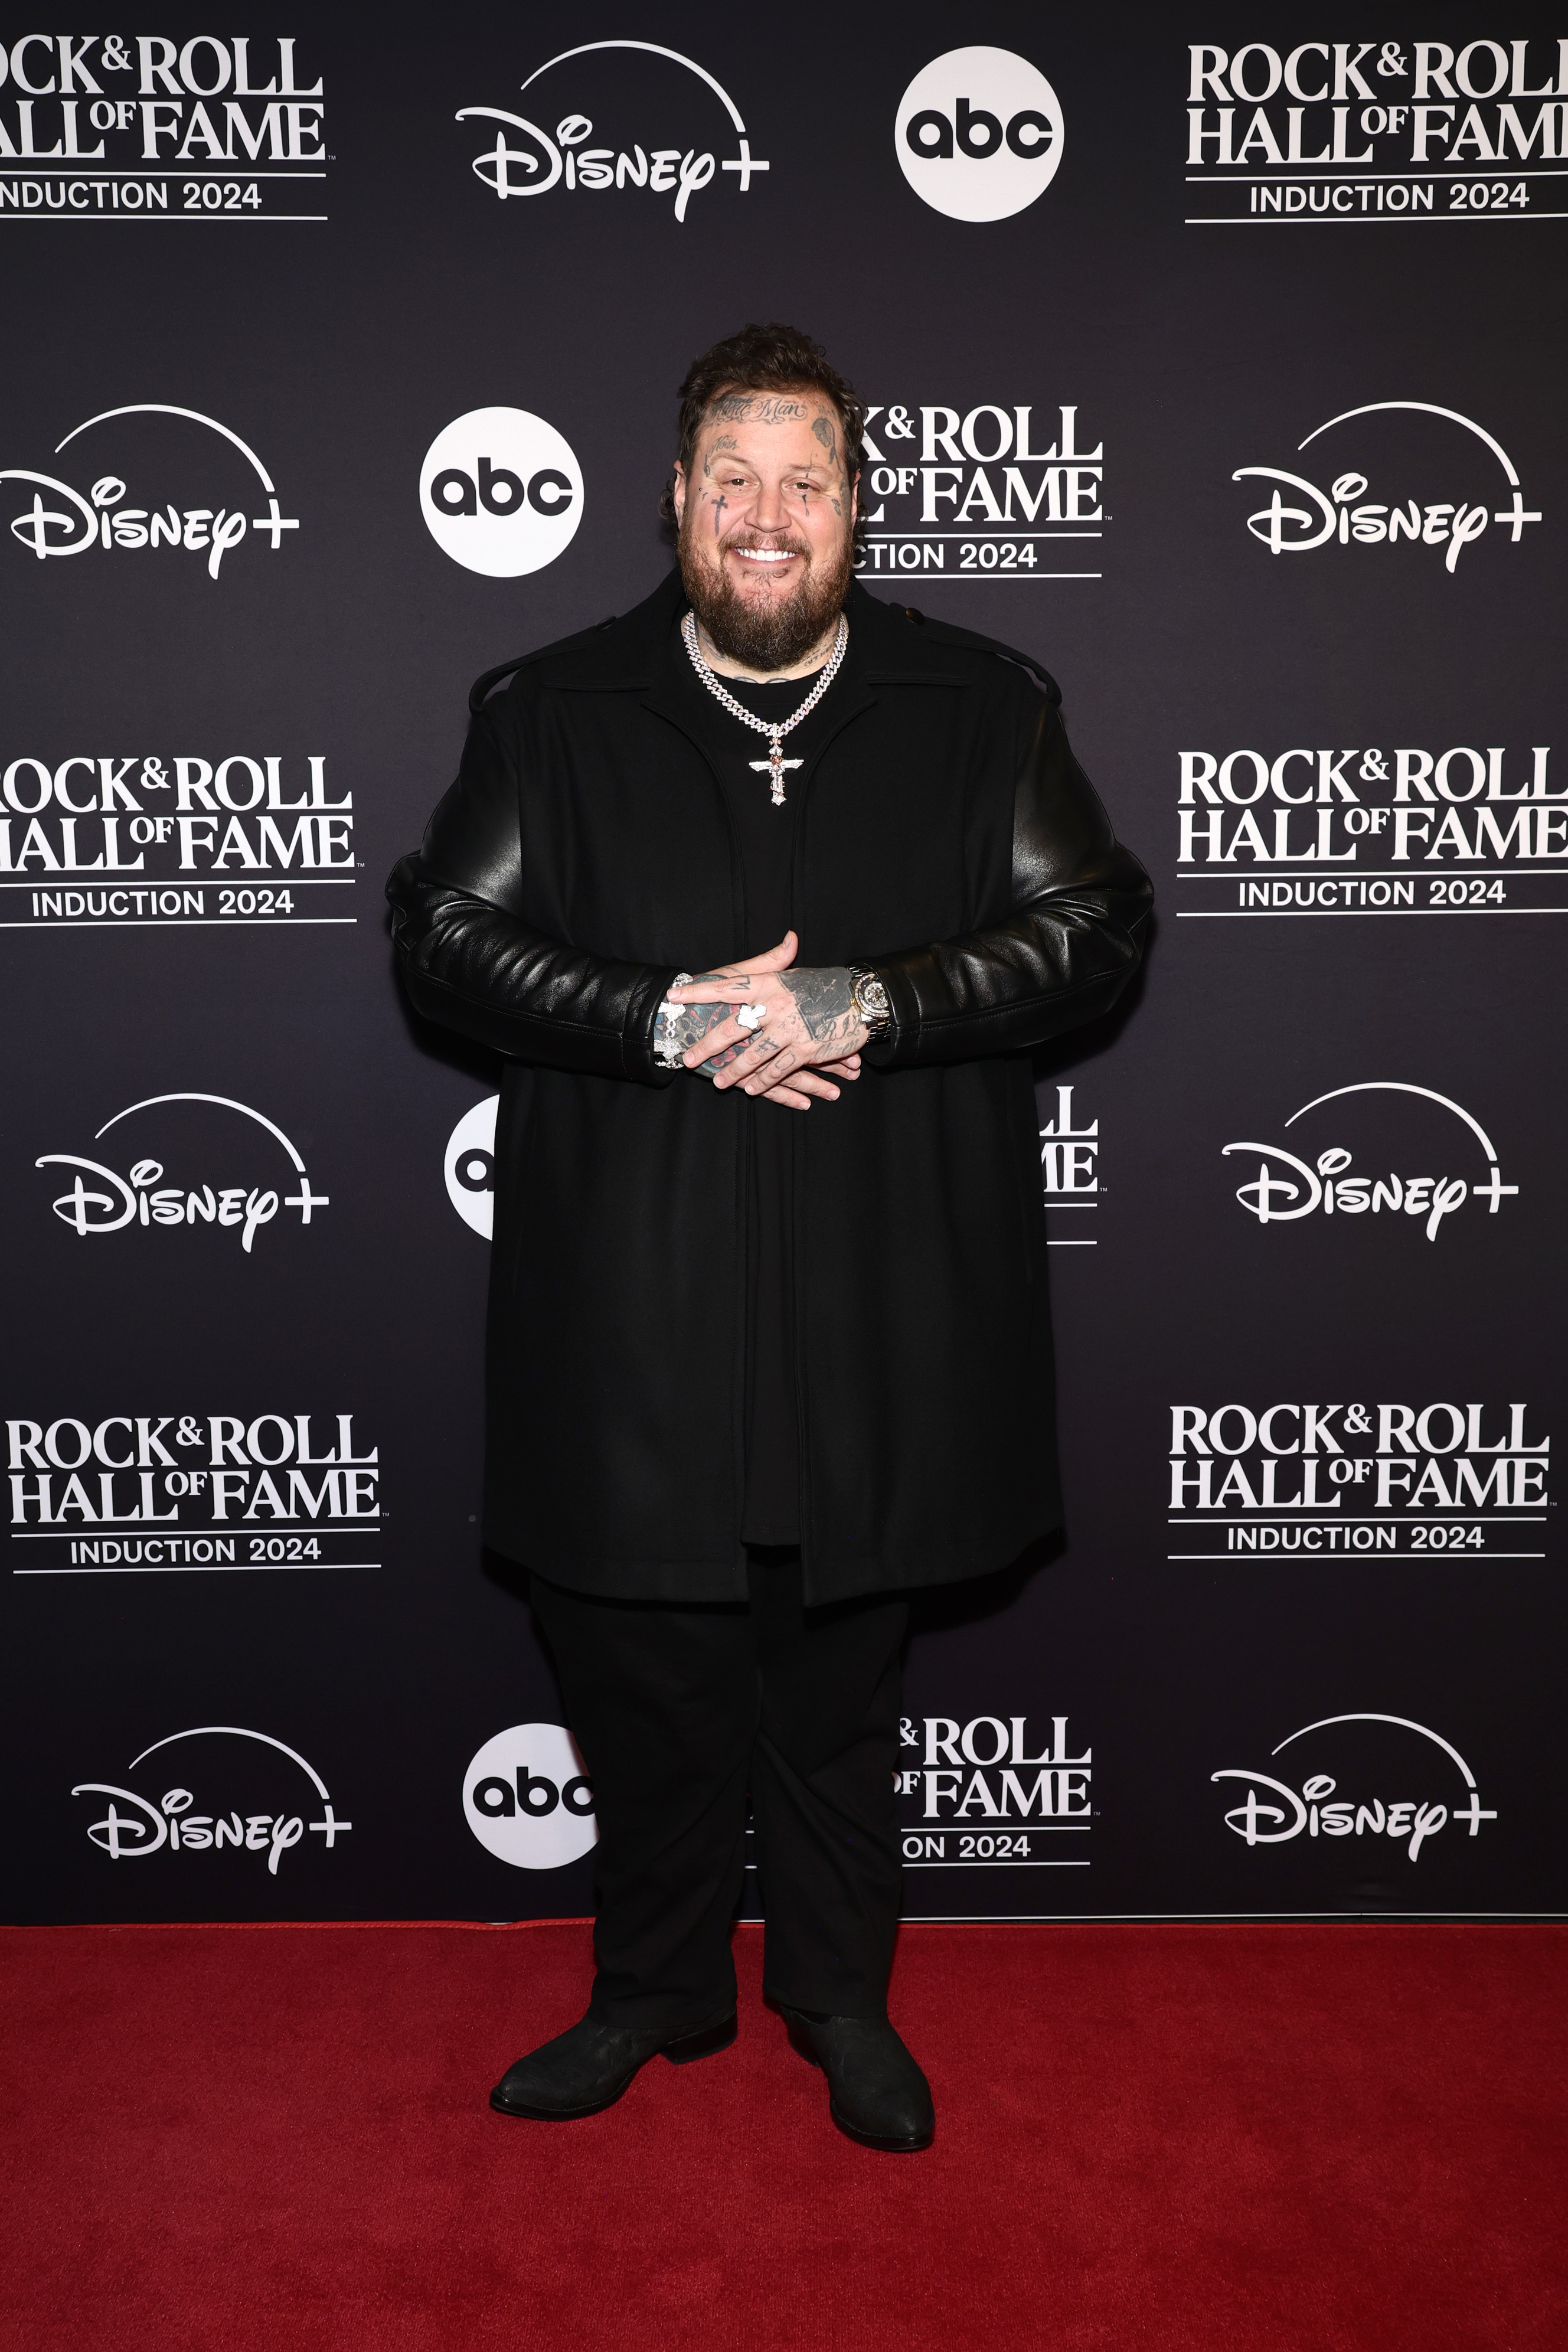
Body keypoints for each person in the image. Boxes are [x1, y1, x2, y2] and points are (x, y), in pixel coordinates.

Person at [387, 322, 1151, 2152]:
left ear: (858, 512)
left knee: (836, 1683)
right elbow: (439, 937)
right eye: (731, 479)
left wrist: (867, 1001)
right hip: (631, 1319)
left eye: (804, 481)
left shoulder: (984, 707)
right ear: (673, 505)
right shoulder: (549, 712)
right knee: (641, 1681)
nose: (765, 515)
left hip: (883, 1307)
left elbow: (1096, 928)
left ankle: (836, 1997)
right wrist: (668, 1018)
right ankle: (652, 1994)